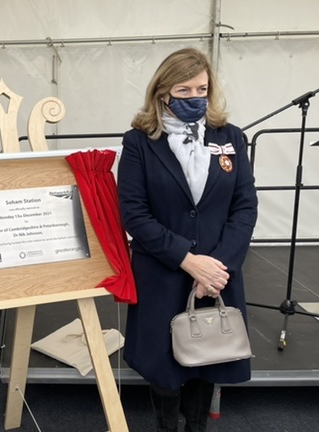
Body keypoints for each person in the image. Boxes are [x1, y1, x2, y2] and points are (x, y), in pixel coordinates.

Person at [117, 48, 258, 432]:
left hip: (217, 273)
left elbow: (244, 207)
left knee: (208, 358)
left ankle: (197, 427)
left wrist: (218, 267)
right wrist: (188, 260)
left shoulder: (231, 137)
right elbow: (134, 214)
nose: (195, 97)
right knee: (164, 368)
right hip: (163, 272)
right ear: (163, 92)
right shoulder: (139, 143)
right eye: (184, 90)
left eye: (202, 89)